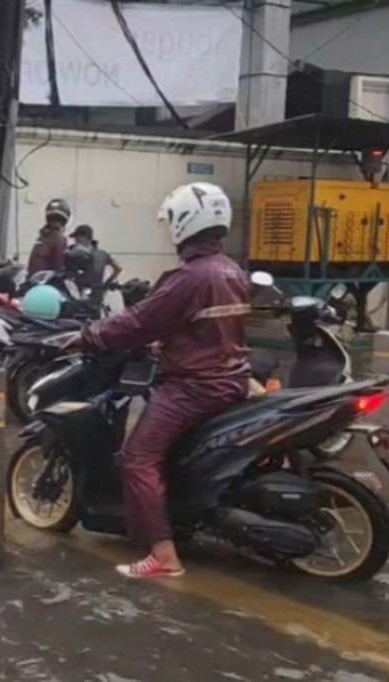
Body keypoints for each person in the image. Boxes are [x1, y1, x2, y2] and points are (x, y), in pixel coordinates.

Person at [72, 182, 251, 579]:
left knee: (138, 458)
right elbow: (205, 328)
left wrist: (90, 335)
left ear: (186, 221)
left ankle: (164, 555)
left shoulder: (188, 276)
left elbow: (138, 321)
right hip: (233, 379)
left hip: (195, 387)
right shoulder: (230, 269)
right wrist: (166, 345)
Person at [67, 224, 122, 305]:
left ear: (84, 237)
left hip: (79, 294)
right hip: (97, 294)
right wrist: (105, 285)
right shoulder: (102, 253)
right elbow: (118, 268)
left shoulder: (75, 253)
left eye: (77, 237)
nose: (75, 240)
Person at [27, 198, 71, 276]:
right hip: (46, 283)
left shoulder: (43, 236)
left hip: (33, 280)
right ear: (64, 220)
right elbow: (59, 265)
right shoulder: (59, 238)